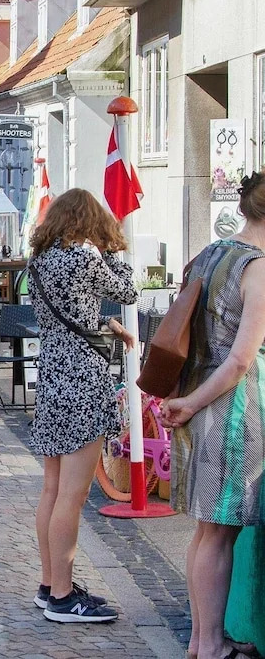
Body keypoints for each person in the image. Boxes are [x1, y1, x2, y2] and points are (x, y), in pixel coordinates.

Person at [160, 172, 265, 659]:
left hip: (199, 400)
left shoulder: (212, 253)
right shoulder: (258, 268)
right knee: (220, 532)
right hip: (231, 409)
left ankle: (201, 642)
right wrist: (193, 403)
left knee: (206, 531)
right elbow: (242, 359)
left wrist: (186, 401)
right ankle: (210, 644)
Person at [26, 188, 137, 623]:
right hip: (82, 379)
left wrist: (105, 323)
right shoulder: (85, 258)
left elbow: (70, 313)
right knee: (73, 494)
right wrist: (111, 250)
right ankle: (63, 597)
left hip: (53, 373)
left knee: (52, 489)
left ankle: (49, 583)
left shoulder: (40, 261)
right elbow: (127, 290)